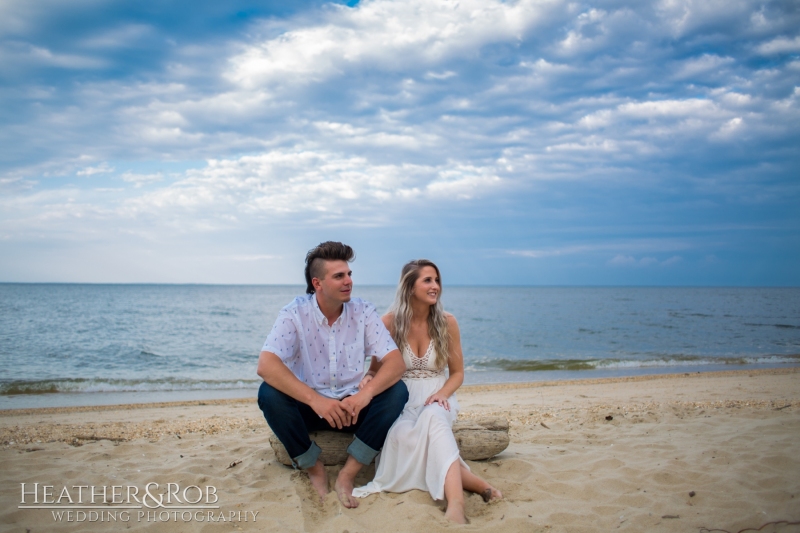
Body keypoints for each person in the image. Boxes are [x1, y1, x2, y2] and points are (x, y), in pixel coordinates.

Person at [256, 241, 408, 509]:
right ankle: (313, 467)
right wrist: (316, 401)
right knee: (268, 394)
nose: (348, 281)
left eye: (349, 274)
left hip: (352, 408)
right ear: (318, 283)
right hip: (311, 409)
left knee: (398, 391)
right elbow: (266, 365)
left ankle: (348, 473)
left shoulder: (363, 311)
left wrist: (364, 396)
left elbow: (395, 363)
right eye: (339, 276)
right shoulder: (294, 312)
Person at [352, 259, 502, 523]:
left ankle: (456, 505)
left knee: (433, 418)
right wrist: (368, 379)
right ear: (410, 286)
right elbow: (376, 369)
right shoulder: (388, 323)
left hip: (437, 393)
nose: (435, 286)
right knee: (401, 435)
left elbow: (457, 373)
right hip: (400, 397)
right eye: (428, 280)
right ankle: (479, 484)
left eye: (437, 280)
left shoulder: (447, 322)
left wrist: (442, 395)